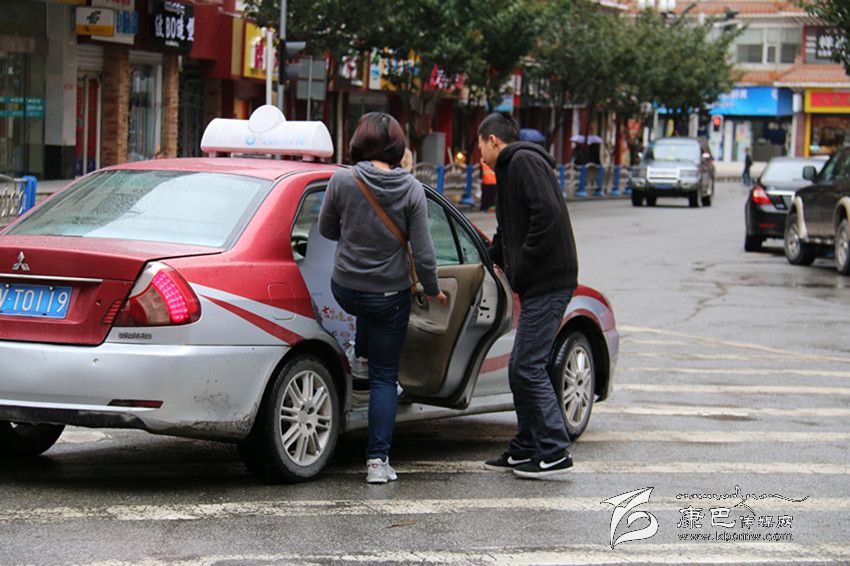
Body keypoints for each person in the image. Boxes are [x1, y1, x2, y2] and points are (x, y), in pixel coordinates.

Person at [318, 112, 447, 484]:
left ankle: (360, 356)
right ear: (397, 146)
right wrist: (433, 289)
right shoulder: (411, 189)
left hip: (345, 289)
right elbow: (424, 254)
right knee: (385, 380)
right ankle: (377, 462)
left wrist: (355, 231)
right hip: (389, 295)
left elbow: (326, 229)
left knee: (365, 308)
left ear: (359, 141)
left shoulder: (342, 179)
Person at [477, 112, 578, 479]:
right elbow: (509, 230)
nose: (479, 156)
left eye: (480, 146)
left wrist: (522, 264)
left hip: (548, 281)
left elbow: (546, 217)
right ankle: (526, 446)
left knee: (527, 366)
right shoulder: (511, 168)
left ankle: (554, 450)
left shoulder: (522, 162)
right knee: (520, 367)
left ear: (492, 140)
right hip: (539, 282)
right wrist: (484, 257)